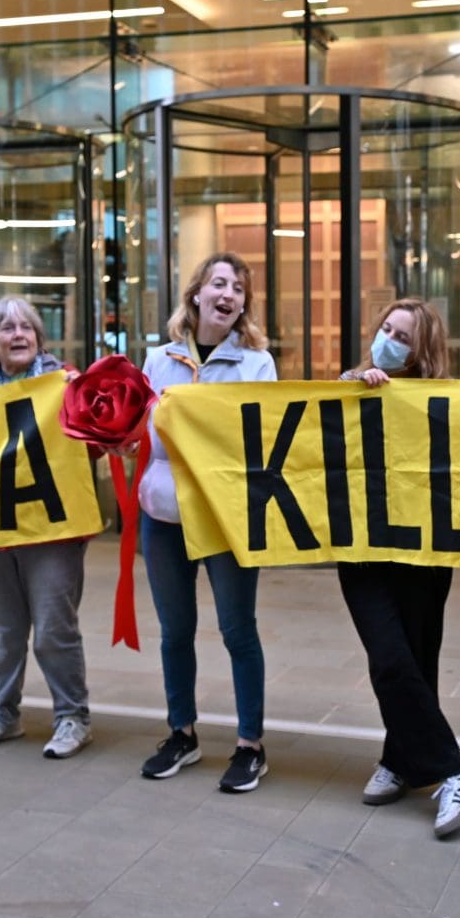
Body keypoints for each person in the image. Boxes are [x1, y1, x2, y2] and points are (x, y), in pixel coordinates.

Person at [338, 298, 460, 839]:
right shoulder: (350, 385)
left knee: (416, 661)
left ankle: (398, 759)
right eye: (385, 328)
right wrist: (355, 384)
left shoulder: (441, 400)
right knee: (389, 659)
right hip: (363, 550)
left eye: (402, 335)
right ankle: (453, 772)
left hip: (423, 551)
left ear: (423, 349)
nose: (389, 339)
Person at [137, 251, 277, 792]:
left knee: (238, 630)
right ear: (195, 294)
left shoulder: (256, 364)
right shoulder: (159, 360)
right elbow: (145, 433)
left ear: (243, 305)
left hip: (224, 519)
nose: (229, 294)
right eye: (219, 283)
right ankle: (182, 733)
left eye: (239, 288)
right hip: (163, 515)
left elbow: (262, 439)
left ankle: (250, 744)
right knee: (175, 632)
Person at [0, 295, 93, 760]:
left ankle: (71, 715)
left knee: (55, 627)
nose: (18, 335)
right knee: (5, 627)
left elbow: (90, 448)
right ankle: (3, 713)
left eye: (27, 328)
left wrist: (83, 401)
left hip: (53, 530)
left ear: (39, 339)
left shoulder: (64, 383)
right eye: (6, 328)